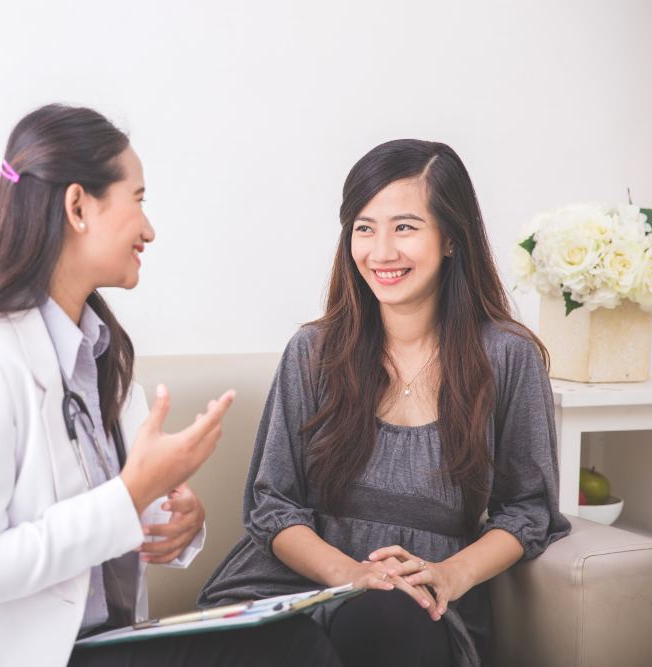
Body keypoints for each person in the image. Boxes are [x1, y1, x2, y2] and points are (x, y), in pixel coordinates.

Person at [0, 104, 338, 667]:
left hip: (97, 644)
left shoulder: (102, 355)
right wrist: (130, 495)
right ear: (79, 206)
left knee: (289, 638)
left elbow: (110, 514)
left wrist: (175, 519)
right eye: (138, 200)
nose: (150, 229)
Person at [198, 139, 571, 667]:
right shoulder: (314, 352)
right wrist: (352, 575)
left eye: (405, 227)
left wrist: (449, 574)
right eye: (364, 228)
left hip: (420, 603)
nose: (381, 252)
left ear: (450, 238)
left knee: (388, 618)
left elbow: (527, 510)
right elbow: (272, 506)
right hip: (294, 588)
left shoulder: (507, 357)